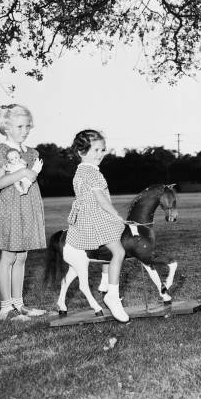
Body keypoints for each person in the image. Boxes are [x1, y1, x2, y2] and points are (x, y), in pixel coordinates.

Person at [0, 104, 46, 322]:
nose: (25, 130)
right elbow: (0, 182)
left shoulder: (31, 152)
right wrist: (22, 171)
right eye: (20, 126)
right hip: (11, 206)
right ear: (6, 127)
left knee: (22, 256)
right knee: (9, 256)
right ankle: (5, 308)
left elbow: (31, 179)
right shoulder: (0, 150)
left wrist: (28, 172)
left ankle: (19, 305)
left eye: (28, 126)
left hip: (28, 205)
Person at [63, 129, 129, 322]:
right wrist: (116, 215)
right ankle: (112, 296)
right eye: (96, 150)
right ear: (81, 152)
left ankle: (105, 282)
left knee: (112, 251)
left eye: (102, 150)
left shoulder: (82, 170)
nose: (100, 154)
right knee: (119, 253)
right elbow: (101, 199)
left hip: (87, 216)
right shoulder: (91, 173)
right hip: (95, 218)